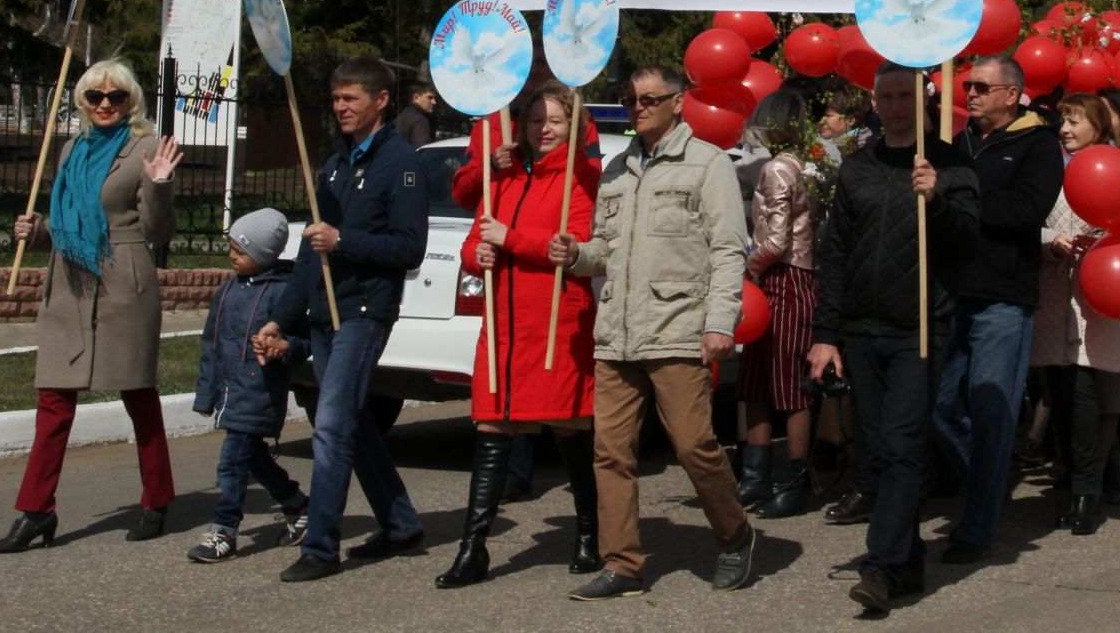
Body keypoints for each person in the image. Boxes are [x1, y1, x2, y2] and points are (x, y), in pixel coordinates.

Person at [548, 64, 756, 600]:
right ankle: (623, 565)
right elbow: (603, 252)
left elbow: (730, 250)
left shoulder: (708, 165)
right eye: (627, 98)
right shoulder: (617, 171)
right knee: (610, 452)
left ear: (677, 102)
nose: (636, 106)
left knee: (694, 447)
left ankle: (735, 537)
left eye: (647, 98)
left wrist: (718, 323)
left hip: (678, 329)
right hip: (617, 332)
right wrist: (576, 255)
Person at [809, 63, 979, 614]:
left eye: (906, 94)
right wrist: (825, 335)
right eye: (887, 96)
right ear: (875, 103)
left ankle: (879, 566)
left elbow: (968, 242)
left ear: (925, 99)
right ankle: (906, 562)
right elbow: (834, 254)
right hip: (861, 329)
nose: (896, 105)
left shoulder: (950, 164)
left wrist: (940, 200)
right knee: (879, 450)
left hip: (921, 328)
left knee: (904, 446)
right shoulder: (858, 168)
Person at [0, 60, 183, 554]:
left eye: (115, 96)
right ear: (81, 101)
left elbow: (158, 233)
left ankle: (157, 498)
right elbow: (68, 222)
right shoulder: (70, 149)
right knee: (53, 399)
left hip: (123, 283)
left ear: (130, 101)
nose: (104, 104)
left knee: (137, 394)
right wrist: (36, 232)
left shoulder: (145, 148)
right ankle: (36, 511)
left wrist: (160, 185)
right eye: (95, 96)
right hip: (69, 283)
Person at [255, 57, 428, 582]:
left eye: (350, 98)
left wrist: (343, 241)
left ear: (379, 101)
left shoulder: (403, 164)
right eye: (335, 98)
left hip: (364, 313)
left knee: (330, 425)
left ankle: (321, 546)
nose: (340, 107)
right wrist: (281, 320)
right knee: (350, 421)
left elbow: (409, 248)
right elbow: (311, 252)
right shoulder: (333, 164)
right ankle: (400, 524)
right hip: (323, 313)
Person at [438, 84, 599, 588]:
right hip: (503, 327)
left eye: (554, 121)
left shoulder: (582, 180)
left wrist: (512, 241)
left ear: (571, 127)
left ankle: (589, 534)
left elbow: (573, 243)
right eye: (535, 121)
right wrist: (477, 255)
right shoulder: (501, 177)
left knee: (572, 431)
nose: (543, 129)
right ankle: (473, 548)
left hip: (559, 323)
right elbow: (474, 238)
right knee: (490, 428)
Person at [935, 53, 1065, 564]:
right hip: (954, 293)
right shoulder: (958, 144)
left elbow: (1028, 210)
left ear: (1012, 94)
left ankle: (978, 524)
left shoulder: (1038, 144)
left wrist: (961, 200)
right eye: (967, 86)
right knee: (942, 407)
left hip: (1004, 298)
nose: (970, 94)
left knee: (991, 409)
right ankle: (991, 474)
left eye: (982, 87)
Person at [1030, 94, 1120, 536]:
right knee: (1058, 389)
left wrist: (1101, 243)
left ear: (1099, 126)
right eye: (1063, 122)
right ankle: (1070, 480)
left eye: (1075, 122)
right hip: (1055, 293)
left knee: (1086, 392)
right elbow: (1028, 217)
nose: (1065, 129)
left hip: (1097, 295)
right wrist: (1051, 238)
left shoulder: (1118, 168)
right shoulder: (1051, 167)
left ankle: (1088, 493)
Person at [186, 208, 309, 563]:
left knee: (232, 463)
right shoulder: (227, 289)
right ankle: (298, 505)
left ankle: (224, 529)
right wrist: (207, 393)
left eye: (240, 252)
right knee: (252, 458)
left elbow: (302, 342)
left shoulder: (284, 295)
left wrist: (281, 349)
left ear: (262, 256)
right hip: (229, 391)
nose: (232, 257)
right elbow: (211, 342)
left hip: (258, 393)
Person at [737, 89, 821, 519]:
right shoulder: (807, 167)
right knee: (764, 381)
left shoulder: (777, 169)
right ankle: (759, 478)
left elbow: (774, 239)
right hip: (794, 276)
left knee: (786, 385)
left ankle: (786, 480)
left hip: (783, 278)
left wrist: (748, 267)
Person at [393, 79, 437, 151]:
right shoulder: (419, 120)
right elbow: (423, 153)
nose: (434, 102)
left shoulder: (401, 117)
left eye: (434, 98)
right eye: (430, 98)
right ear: (415, 97)